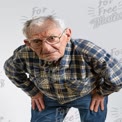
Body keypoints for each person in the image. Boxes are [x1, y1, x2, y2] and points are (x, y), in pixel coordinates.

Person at [4, 15, 122, 122]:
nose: (46, 49)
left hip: (87, 94)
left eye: (52, 38)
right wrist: (33, 92)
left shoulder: (86, 50)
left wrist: (101, 94)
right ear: (28, 43)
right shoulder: (24, 54)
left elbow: (118, 75)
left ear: (67, 35)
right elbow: (11, 70)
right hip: (48, 96)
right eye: (36, 41)